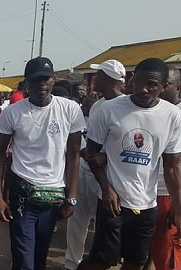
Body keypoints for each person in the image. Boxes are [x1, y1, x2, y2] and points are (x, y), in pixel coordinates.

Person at [78, 58, 181, 270]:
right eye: (139, 82)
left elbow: (171, 167)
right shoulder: (109, 109)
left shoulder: (172, 116)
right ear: (132, 80)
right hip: (112, 202)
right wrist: (107, 190)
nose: (143, 89)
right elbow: (91, 153)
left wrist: (179, 208)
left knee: (136, 262)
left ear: (162, 87)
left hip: (147, 204)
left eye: (152, 85)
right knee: (102, 260)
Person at [0, 57, 85, 270]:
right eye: (35, 80)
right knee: (24, 258)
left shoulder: (70, 109)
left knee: (40, 256)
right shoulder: (12, 113)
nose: (41, 85)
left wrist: (72, 197)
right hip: (22, 193)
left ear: (53, 80)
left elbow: (73, 156)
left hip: (54, 194)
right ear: (26, 83)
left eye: (45, 79)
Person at [64, 59, 126, 270]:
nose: (94, 80)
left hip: (108, 178)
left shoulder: (128, 107)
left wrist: (105, 157)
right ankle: (72, 264)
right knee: (77, 221)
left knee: (104, 228)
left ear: (108, 79)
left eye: (98, 75)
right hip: (85, 170)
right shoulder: (99, 105)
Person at [145, 66, 181, 270]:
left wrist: (178, 202)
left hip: (167, 193)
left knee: (167, 251)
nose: (158, 87)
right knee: (146, 250)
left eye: (165, 84)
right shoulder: (148, 110)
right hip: (142, 193)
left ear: (177, 87)